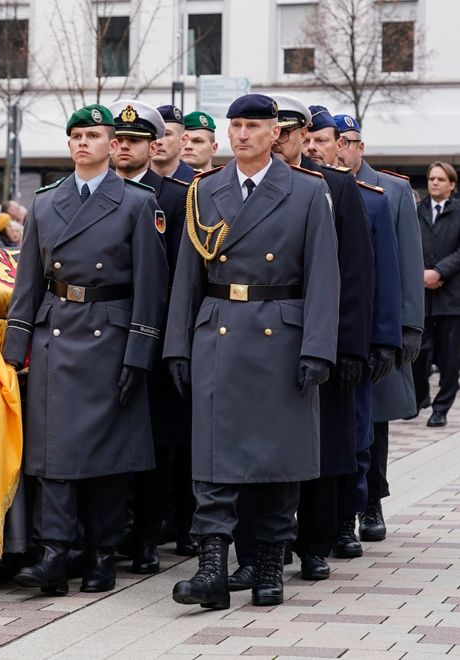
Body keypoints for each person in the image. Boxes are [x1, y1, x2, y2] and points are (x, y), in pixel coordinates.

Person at [165, 94, 340, 609]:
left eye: (253, 126)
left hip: (281, 336)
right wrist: (177, 344)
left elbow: (324, 278)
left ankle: (267, 569)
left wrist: (318, 349)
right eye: (236, 126)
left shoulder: (306, 192)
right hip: (218, 330)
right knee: (213, 460)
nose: (243, 135)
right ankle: (212, 571)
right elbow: (185, 278)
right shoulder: (206, 190)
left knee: (278, 462)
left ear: (274, 133)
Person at [3, 104, 168, 596]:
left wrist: (139, 354)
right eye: (76, 135)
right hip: (58, 333)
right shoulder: (47, 201)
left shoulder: (137, 203)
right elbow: (28, 282)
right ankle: (54, 552)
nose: (83, 143)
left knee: (108, 460)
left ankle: (101, 554)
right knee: (52, 455)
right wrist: (15, 348)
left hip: (111, 336)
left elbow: (151, 287)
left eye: (94, 135)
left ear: (112, 143)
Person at [228, 96, 376, 587]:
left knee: (321, 447)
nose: (293, 142)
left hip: (319, 337)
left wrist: (348, 345)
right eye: (286, 133)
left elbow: (351, 273)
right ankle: (259, 550)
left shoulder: (331, 186)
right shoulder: (241, 190)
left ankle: (315, 542)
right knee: (258, 447)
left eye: (296, 133)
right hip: (265, 338)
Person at [106, 98, 194, 571]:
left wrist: (171, 341)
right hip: (103, 333)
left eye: (136, 141)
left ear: (154, 144)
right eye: (118, 141)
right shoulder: (96, 192)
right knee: (109, 434)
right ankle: (114, 529)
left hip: (155, 332)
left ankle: (146, 536)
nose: (124, 149)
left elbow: (179, 277)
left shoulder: (178, 195)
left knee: (156, 442)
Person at [334, 114, 424, 543]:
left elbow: (406, 263)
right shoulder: (320, 186)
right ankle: (344, 507)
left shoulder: (392, 189)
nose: (343, 149)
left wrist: (409, 326)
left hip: (380, 324)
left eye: (350, 142)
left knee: (379, 420)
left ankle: (373, 501)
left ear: (360, 146)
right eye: (338, 141)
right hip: (342, 326)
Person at [413, 161, 460, 427]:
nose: (434, 183)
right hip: (421, 296)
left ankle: (441, 408)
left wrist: (438, 272)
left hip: (450, 298)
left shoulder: (458, 211)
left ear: (451, 185)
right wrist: (420, 273)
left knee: (449, 359)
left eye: (441, 179)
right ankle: (421, 397)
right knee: (418, 354)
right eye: (431, 178)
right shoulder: (417, 211)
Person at [153, 105, 195, 182]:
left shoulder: (198, 183)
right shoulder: (134, 179)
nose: (158, 142)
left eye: (167, 134)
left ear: (183, 140)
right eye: (155, 135)